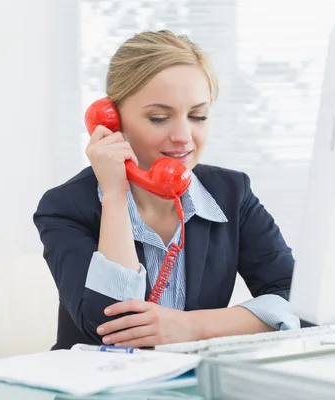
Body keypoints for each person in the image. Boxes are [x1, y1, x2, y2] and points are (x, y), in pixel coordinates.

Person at [33, 30, 303, 351]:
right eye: (159, 118)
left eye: (197, 116)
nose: (184, 137)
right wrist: (116, 196)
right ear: (113, 122)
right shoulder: (65, 206)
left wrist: (191, 326)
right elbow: (105, 326)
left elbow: (298, 302)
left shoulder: (232, 193)